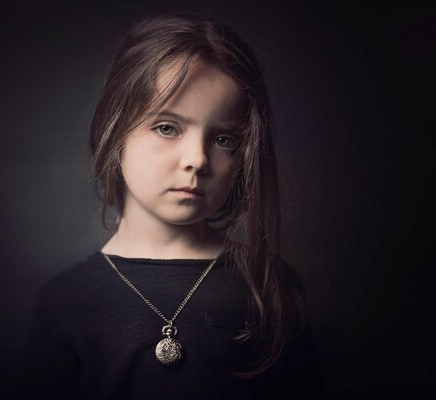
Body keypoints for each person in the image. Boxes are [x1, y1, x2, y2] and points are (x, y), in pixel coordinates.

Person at [22, 12, 325, 399]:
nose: (197, 159)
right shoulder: (64, 302)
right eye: (167, 128)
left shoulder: (271, 286)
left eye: (225, 140)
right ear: (115, 131)